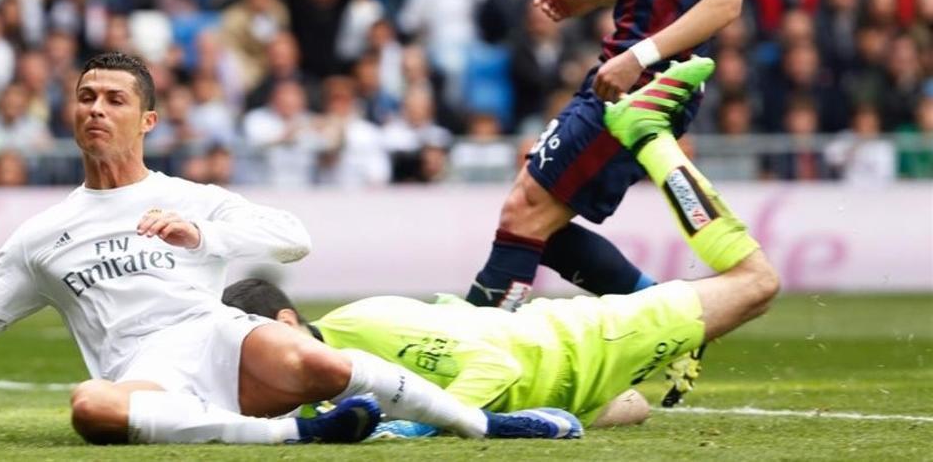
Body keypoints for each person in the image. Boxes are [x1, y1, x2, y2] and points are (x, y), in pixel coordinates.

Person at [0, 52, 583, 447]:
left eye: (114, 99)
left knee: (310, 357)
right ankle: (302, 435)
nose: (96, 109)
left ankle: (484, 427)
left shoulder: (190, 196)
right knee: (90, 407)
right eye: (86, 96)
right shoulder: (42, 234)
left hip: (224, 345)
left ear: (145, 120)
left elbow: (295, 238)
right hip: (144, 376)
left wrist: (206, 233)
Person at [226, 59, 779, 434]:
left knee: (758, 282)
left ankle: (651, 138)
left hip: (587, 344)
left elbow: (490, 367)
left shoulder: (366, 331)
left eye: (251, 355)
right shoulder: (330, 383)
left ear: (286, 323)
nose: (252, 373)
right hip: (566, 377)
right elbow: (454, 324)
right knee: (630, 406)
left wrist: (418, 425)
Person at [463, 0, 757, 404]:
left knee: (525, 213)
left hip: (649, 80)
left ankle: (471, 363)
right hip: (624, 65)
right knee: (540, 222)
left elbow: (725, 0)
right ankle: (668, 322)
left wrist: (641, 56)